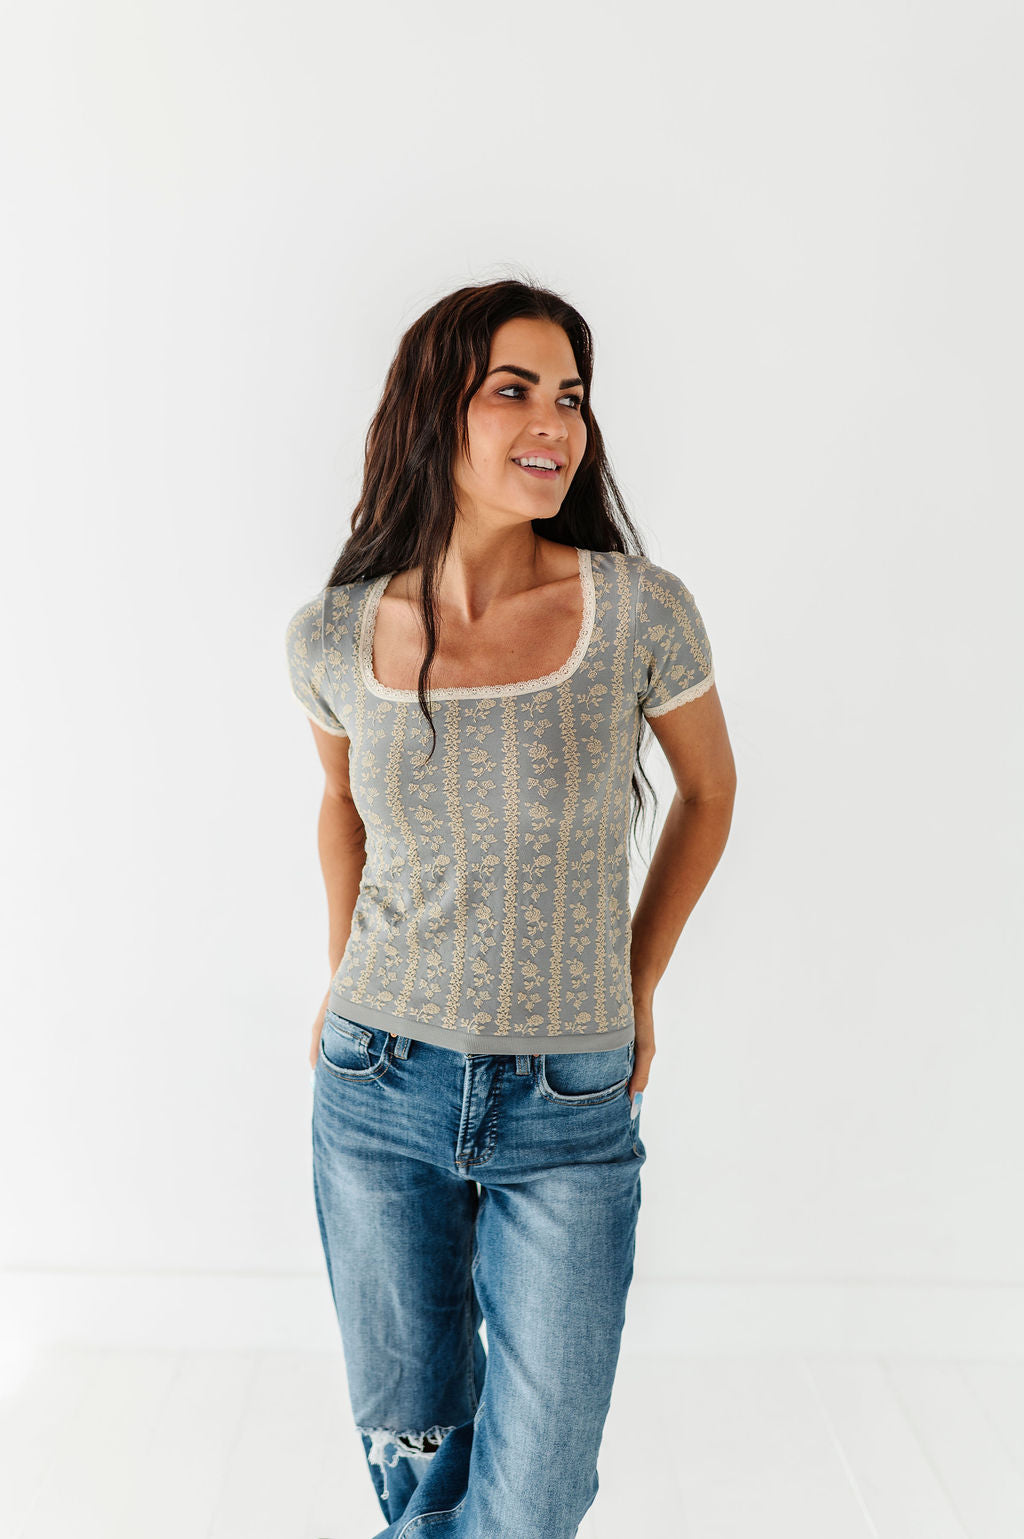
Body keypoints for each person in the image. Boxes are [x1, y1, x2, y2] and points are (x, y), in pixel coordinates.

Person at [285, 278, 736, 1539]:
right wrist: (337, 979)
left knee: (532, 1497)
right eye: (514, 390)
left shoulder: (637, 608)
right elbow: (342, 808)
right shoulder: (333, 635)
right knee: (416, 1465)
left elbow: (708, 793)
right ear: (436, 411)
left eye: (571, 398)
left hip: (570, 1101)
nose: (555, 424)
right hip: (376, 1083)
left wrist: (636, 984)